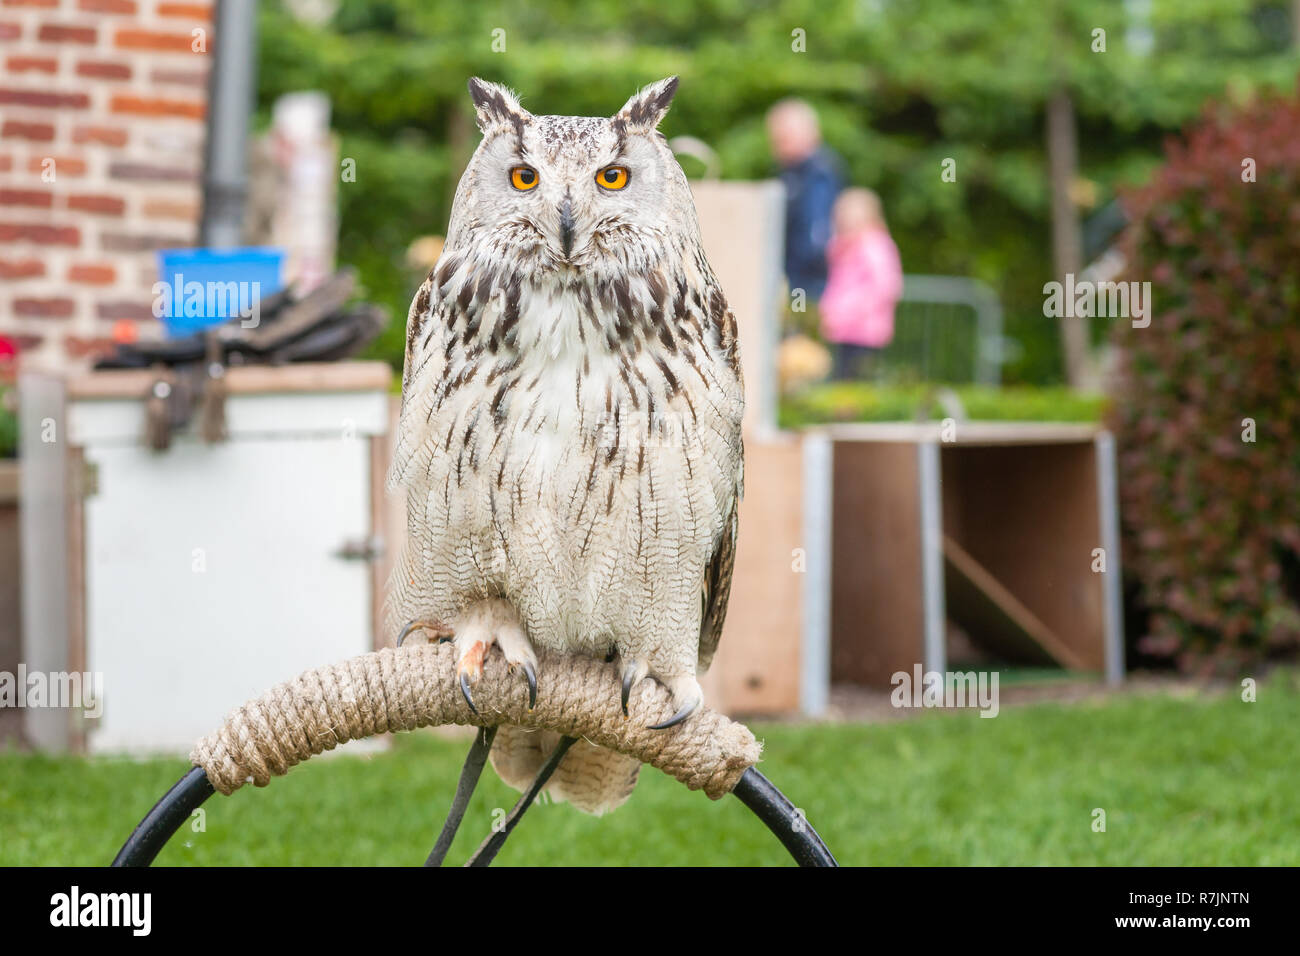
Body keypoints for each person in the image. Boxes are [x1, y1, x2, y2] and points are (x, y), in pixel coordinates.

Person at [819, 188, 903, 380]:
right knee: (842, 384)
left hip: (865, 331)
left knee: (857, 386)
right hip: (841, 330)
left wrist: (853, 312)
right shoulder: (843, 247)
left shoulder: (875, 246)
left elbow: (886, 287)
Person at [766, 99, 843, 301]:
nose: (778, 146)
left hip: (806, 282)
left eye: (784, 138)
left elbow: (816, 234)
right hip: (795, 276)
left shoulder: (818, 172)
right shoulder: (791, 172)